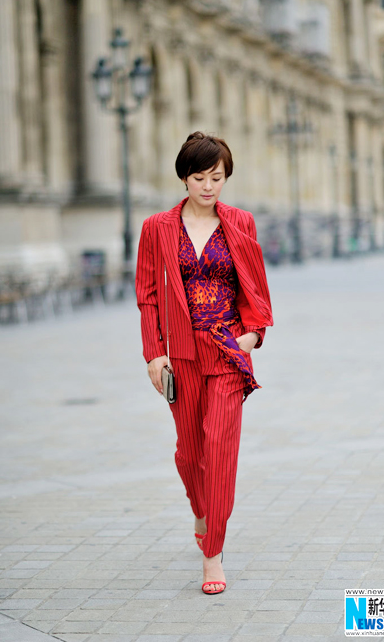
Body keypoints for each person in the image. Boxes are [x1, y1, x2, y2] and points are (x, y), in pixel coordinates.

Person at [135, 132, 273, 594]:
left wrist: (253, 334)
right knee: (190, 451)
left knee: (219, 448)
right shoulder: (156, 228)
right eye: (200, 177)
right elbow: (148, 298)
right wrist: (154, 354)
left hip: (229, 351)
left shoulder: (241, 223)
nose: (209, 186)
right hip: (183, 355)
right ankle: (200, 506)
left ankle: (212, 553)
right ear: (183, 177)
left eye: (217, 177)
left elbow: (254, 285)